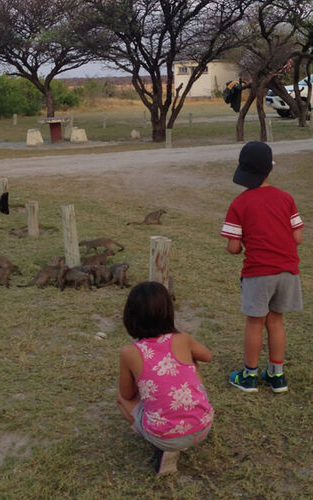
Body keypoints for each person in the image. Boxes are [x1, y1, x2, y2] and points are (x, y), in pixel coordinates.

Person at [221, 141, 304, 394]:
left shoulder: (240, 204)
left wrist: (238, 245)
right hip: (288, 272)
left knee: (255, 323)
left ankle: (249, 376)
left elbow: (234, 247)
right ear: (270, 169)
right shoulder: (286, 198)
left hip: (258, 274)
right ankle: (277, 375)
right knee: (276, 321)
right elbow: (297, 237)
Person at [117, 281, 214, 475]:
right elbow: (207, 356)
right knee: (192, 363)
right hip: (203, 426)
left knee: (120, 399)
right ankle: (189, 423)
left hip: (164, 436)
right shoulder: (183, 339)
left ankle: (164, 447)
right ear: (169, 312)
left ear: (130, 316)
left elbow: (127, 395)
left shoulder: (129, 352)